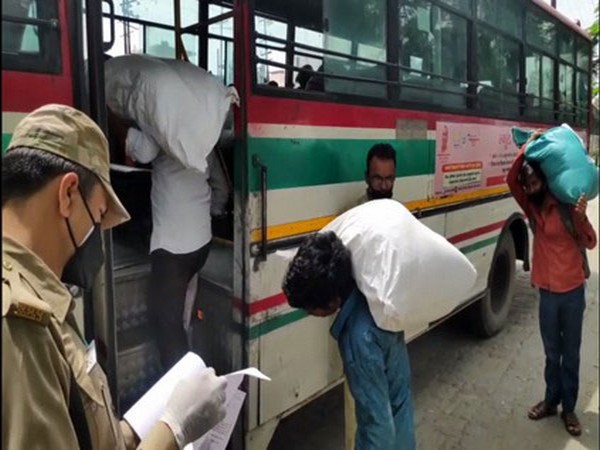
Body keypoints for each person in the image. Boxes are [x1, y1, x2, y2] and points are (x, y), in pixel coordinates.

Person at [2, 104, 227, 449]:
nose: (97, 234)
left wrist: (132, 432)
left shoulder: (35, 294)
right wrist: (173, 430)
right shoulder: (18, 327)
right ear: (67, 195)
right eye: (99, 214)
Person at [282, 232, 416, 449]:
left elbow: (378, 426)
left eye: (310, 308)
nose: (310, 313)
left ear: (332, 301)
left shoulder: (358, 339)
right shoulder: (377, 303)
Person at [506, 130, 597, 437]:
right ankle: (550, 401)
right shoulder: (532, 210)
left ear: (545, 181)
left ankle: (569, 408)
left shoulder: (568, 207)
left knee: (570, 352)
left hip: (571, 291)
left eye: (534, 182)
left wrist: (582, 217)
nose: (530, 187)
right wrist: (528, 149)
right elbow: (511, 181)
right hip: (547, 293)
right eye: (527, 184)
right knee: (550, 352)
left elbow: (591, 242)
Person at [122, 124, 229, 372]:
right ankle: (188, 352)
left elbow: (140, 152)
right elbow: (221, 188)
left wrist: (122, 124)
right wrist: (208, 214)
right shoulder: (204, 134)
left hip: (172, 249)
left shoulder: (159, 128)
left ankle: (184, 392)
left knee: (166, 325)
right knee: (182, 310)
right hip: (201, 243)